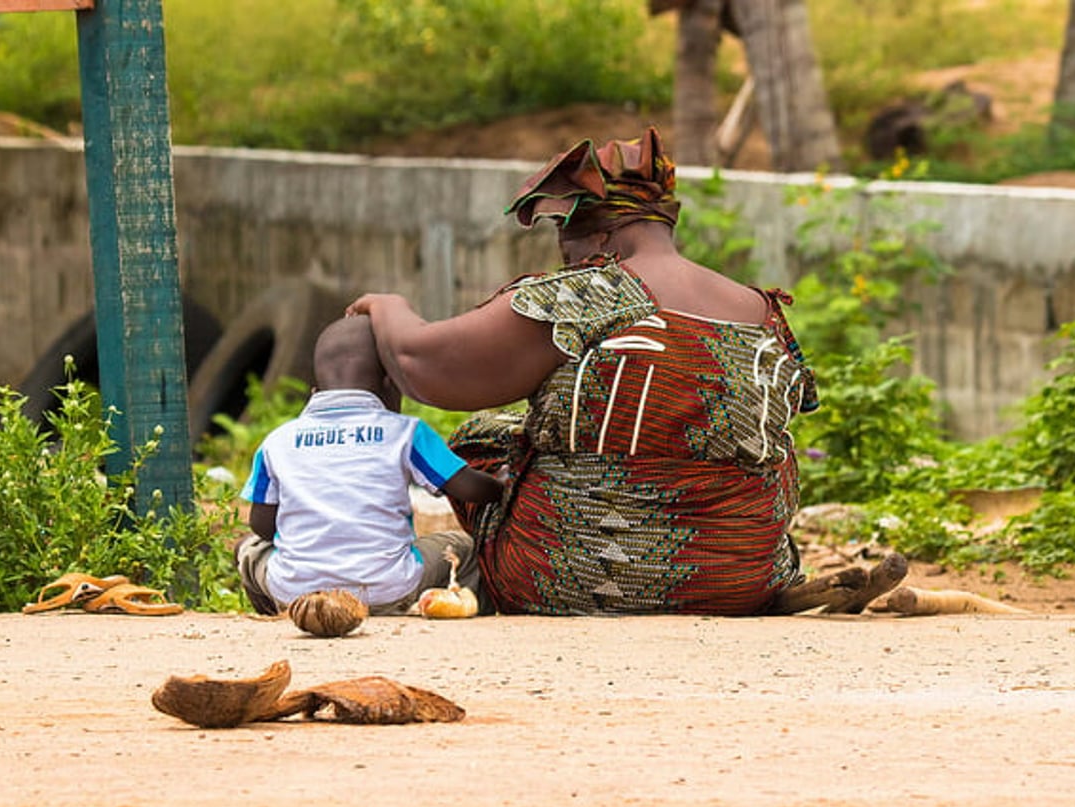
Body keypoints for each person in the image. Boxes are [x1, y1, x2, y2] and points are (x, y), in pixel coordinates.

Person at [345, 127, 900, 615]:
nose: (566, 258)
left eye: (568, 242)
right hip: (742, 576)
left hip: (575, 575)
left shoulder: (594, 291)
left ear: (601, 235)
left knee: (481, 439)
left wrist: (385, 304)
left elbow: (426, 367)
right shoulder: (760, 309)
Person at [234, 314, 503, 616]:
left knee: (249, 548)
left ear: (315, 389)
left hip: (296, 590)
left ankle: (283, 613)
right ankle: (472, 610)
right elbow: (469, 487)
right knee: (461, 547)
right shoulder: (406, 433)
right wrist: (505, 484)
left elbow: (262, 525)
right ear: (392, 383)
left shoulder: (277, 442)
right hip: (388, 588)